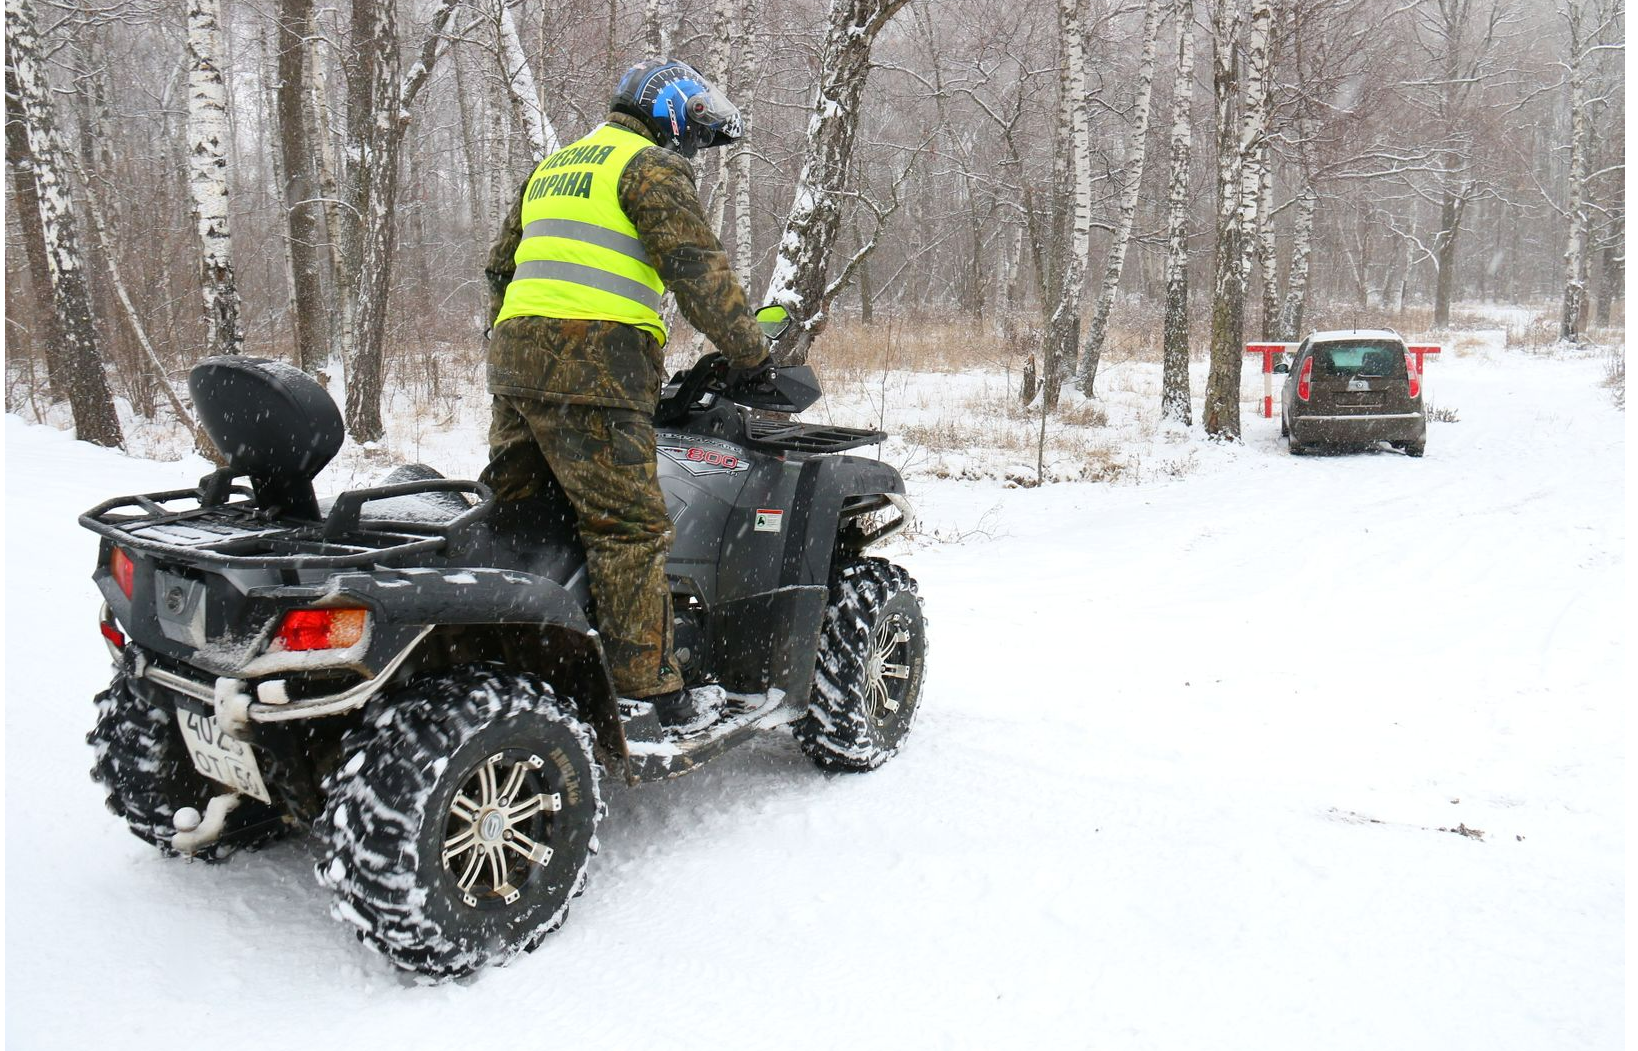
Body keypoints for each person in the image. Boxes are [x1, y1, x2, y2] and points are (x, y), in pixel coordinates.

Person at [479, 59, 771, 729]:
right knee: (629, 528)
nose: (693, 141)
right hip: (599, 371)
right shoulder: (648, 168)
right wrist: (751, 354)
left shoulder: (553, 167)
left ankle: (514, 656)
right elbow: (697, 271)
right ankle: (651, 692)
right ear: (666, 112)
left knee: (523, 519)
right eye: (693, 126)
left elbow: (501, 267)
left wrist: (516, 336)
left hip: (517, 369)